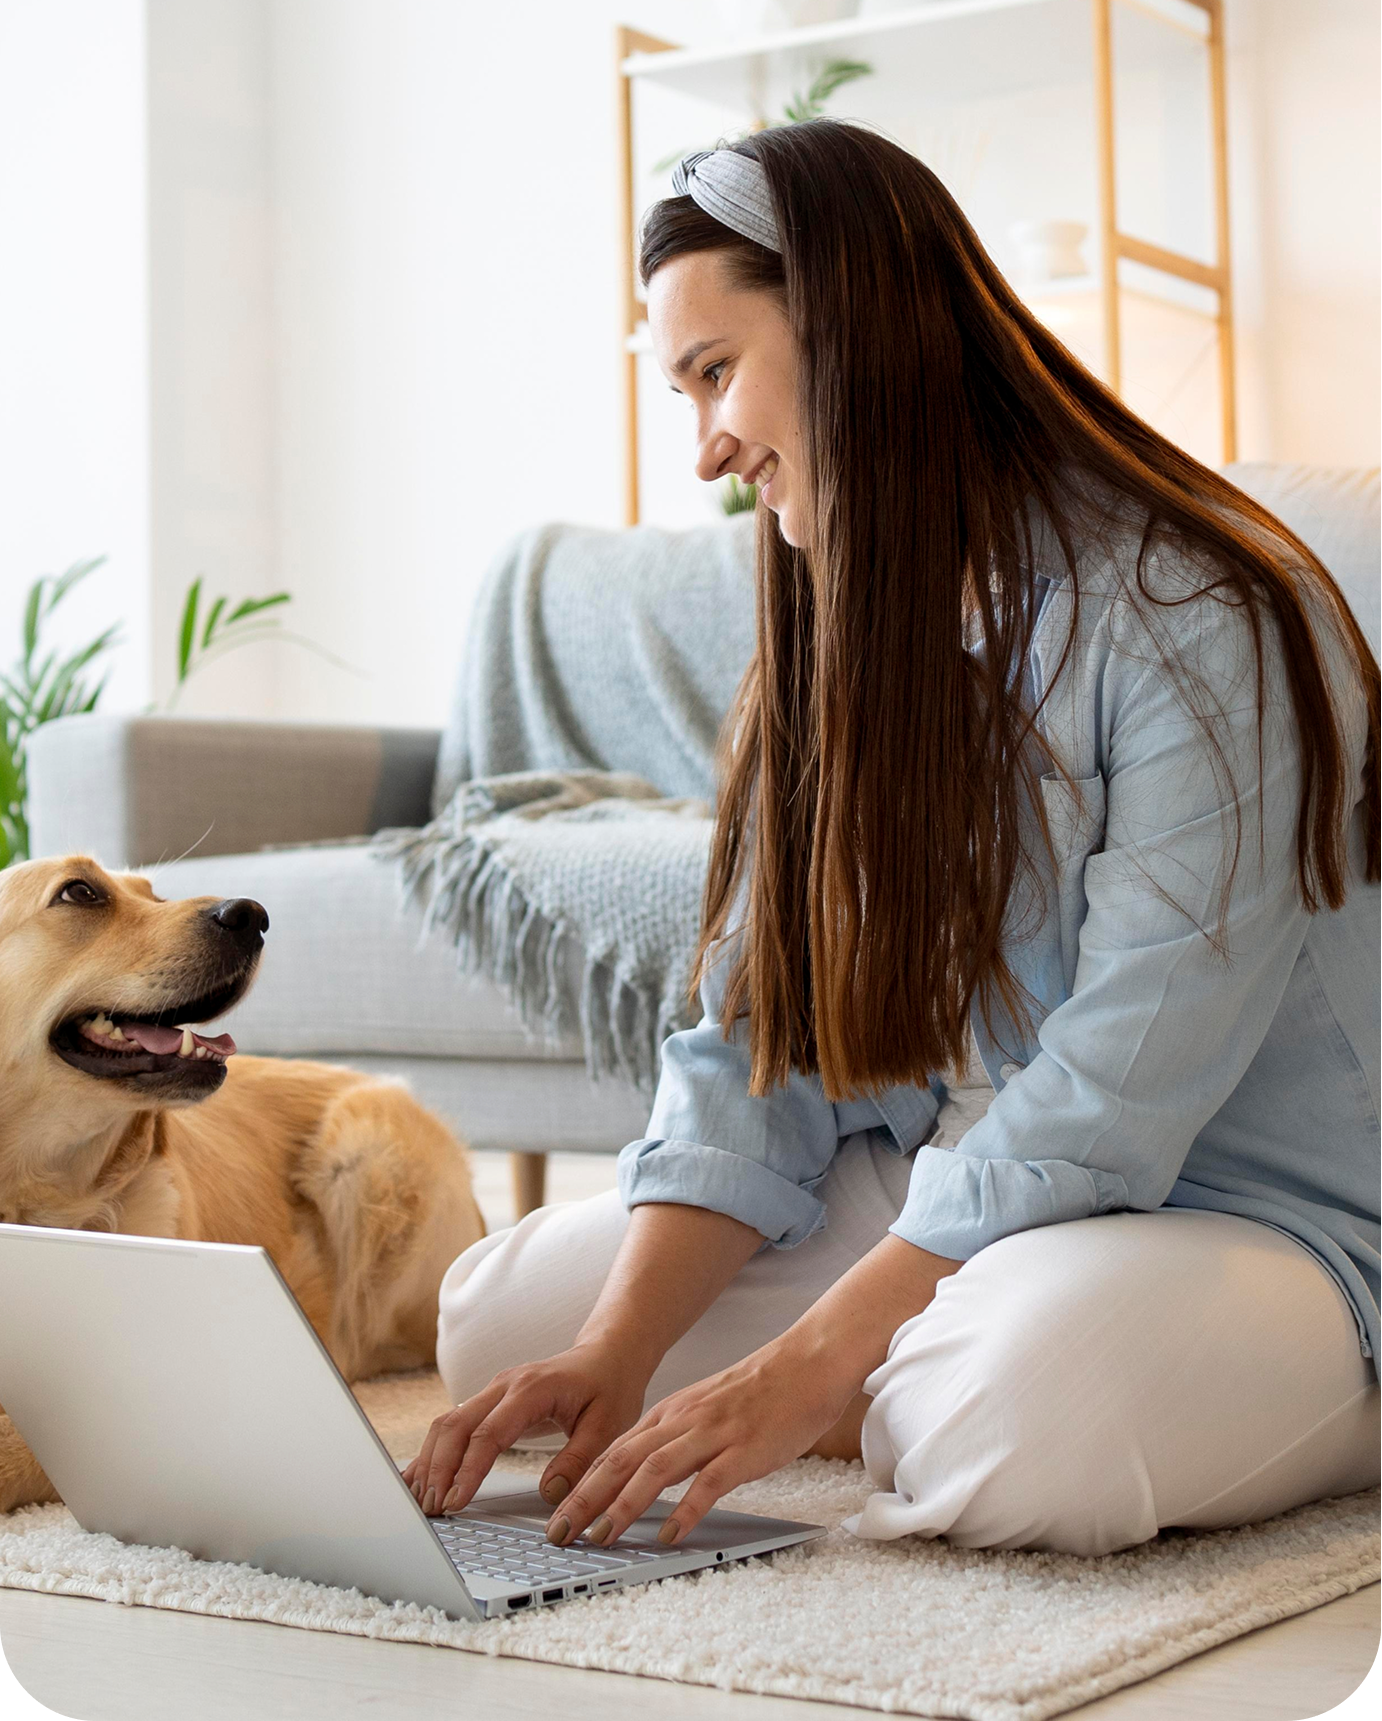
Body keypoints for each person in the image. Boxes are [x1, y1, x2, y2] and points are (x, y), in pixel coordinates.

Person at [404, 123, 1380, 1558]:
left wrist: (806, 1364)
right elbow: (762, 1046)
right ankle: (911, 1365)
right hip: (976, 1181)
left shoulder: (1203, 610)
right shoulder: (831, 627)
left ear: (856, 325)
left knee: (1003, 1424)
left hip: (1251, 1214)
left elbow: (1123, 1077)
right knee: (504, 1323)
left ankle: (1269, 1396)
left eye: (716, 375)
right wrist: (616, 1353)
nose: (706, 451)